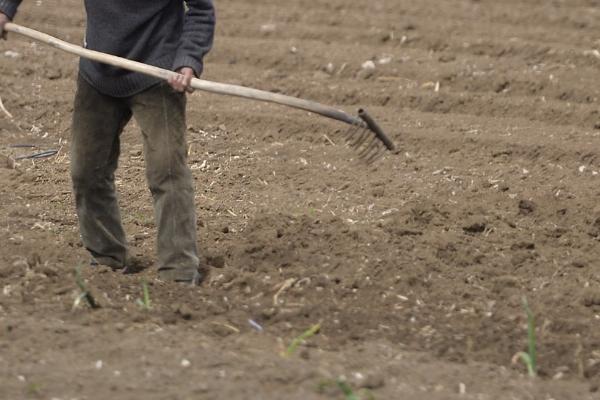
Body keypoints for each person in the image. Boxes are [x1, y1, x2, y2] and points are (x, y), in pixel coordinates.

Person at [0, 1, 216, 285]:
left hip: (157, 74)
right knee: (86, 170)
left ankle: (178, 272)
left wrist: (188, 58)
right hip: (97, 72)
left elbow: (201, 10)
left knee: (168, 171)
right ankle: (106, 257)